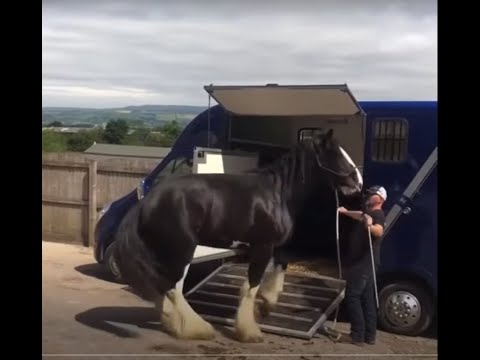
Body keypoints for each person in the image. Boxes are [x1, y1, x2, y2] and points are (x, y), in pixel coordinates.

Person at [336, 185, 387, 346]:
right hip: (368, 265)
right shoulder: (368, 213)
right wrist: (345, 212)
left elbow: (379, 231)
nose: (368, 196)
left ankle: (356, 335)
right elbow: (360, 215)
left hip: (363, 264)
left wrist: (370, 226)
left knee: (352, 296)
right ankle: (369, 336)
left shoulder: (378, 214)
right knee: (368, 299)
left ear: (380, 198)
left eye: (372, 194)